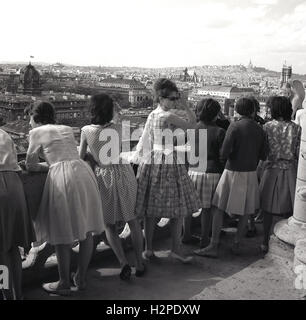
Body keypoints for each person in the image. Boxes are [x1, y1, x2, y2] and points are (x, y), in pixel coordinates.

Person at [25, 101, 104, 295]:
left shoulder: (36, 132)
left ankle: (63, 282)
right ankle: (81, 278)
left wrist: (49, 165)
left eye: (30, 119)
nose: (29, 124)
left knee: (61, 232)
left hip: (63, 177)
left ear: (35, 117)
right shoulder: (67, 128)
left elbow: (30, 165)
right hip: (82, 172)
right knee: (85, 232)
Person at [134, 78, 201, 263]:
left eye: (176, 98)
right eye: (172, 98)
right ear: (161, 98)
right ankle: (176, 249)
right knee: (178, 208)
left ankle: (148, 250)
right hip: (169, 161)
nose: (174, 101)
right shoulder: (168, 116)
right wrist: (186, 107)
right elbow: (192, 125)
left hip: (152, 161)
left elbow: (145, 138)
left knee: (150, 210)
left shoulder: (152, 115)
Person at [80, 94, 145, 279]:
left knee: (109, 225)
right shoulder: (118, 128)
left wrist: (94, 158)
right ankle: (139, 263)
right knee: (132, 221)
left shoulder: (85, 130)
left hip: (104, 176)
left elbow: (81, 158)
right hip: (124, 173)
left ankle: (123, 262)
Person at [195, 97, 268, 257]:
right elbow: (264, 154)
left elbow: (224, 152)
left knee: (218, 208)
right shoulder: (260, 129)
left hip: (232, 170)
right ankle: (237, 244)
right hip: (250, 173)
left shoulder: (234, 127)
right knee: (245, 211)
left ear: (237, 111)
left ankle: (213, 245)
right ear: (253, 111)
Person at [259, 96, 301, 253]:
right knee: (291, 208)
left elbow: (263, 151)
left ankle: (265, 241)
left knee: (267, 207)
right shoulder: (296, 128)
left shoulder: (267, 127)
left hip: (271, 169)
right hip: (290, 170)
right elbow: (297, 151)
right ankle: (287, 241)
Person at [182, 99, 225, 248]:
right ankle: (204, 238)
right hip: (211, 173)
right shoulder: (220, 131)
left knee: (188, 207)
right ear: (216, 114)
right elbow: (222, 156)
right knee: (207, 209)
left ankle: (186, 234)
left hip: (193, 171)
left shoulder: (192, 129)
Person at [0, 129, 36, 300]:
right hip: (15, 184)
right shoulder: (4, 134)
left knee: (1, 252)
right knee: (13, 246)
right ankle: (18, 295)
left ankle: (6, 295)